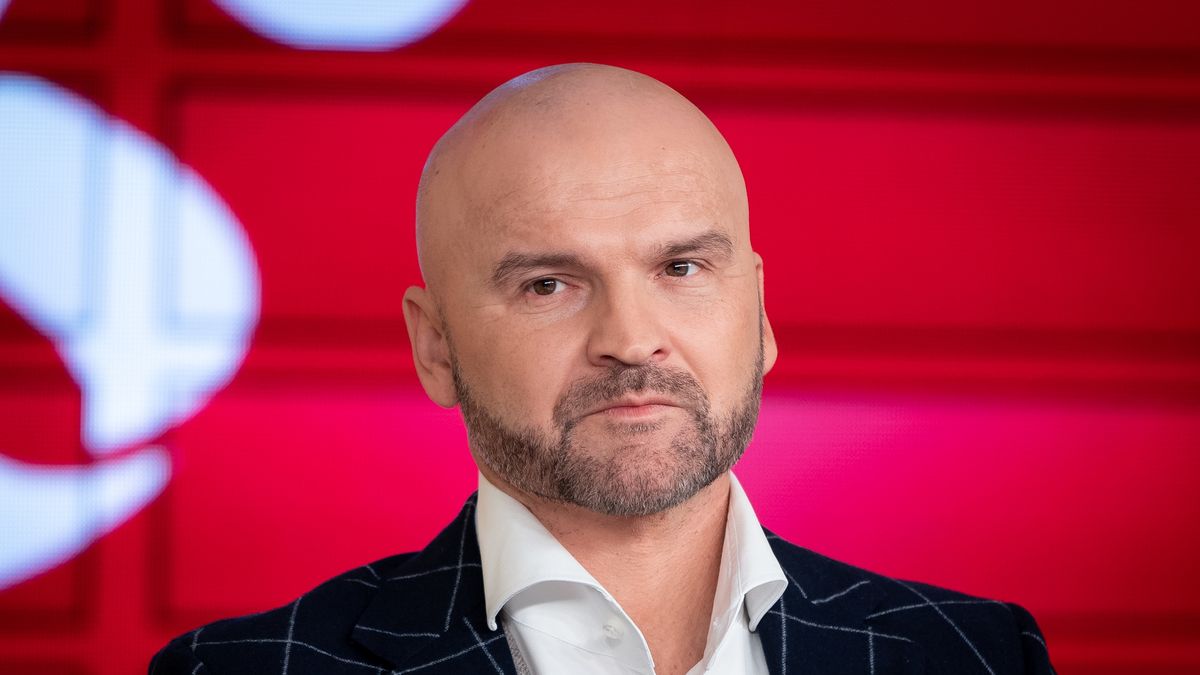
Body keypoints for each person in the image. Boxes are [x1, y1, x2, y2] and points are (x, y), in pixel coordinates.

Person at [150, 63, 1055, 675]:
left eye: (681, 269)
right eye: (549, 283)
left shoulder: (978, 654)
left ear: (761, 314)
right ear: (435, 347)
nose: (631, 337)